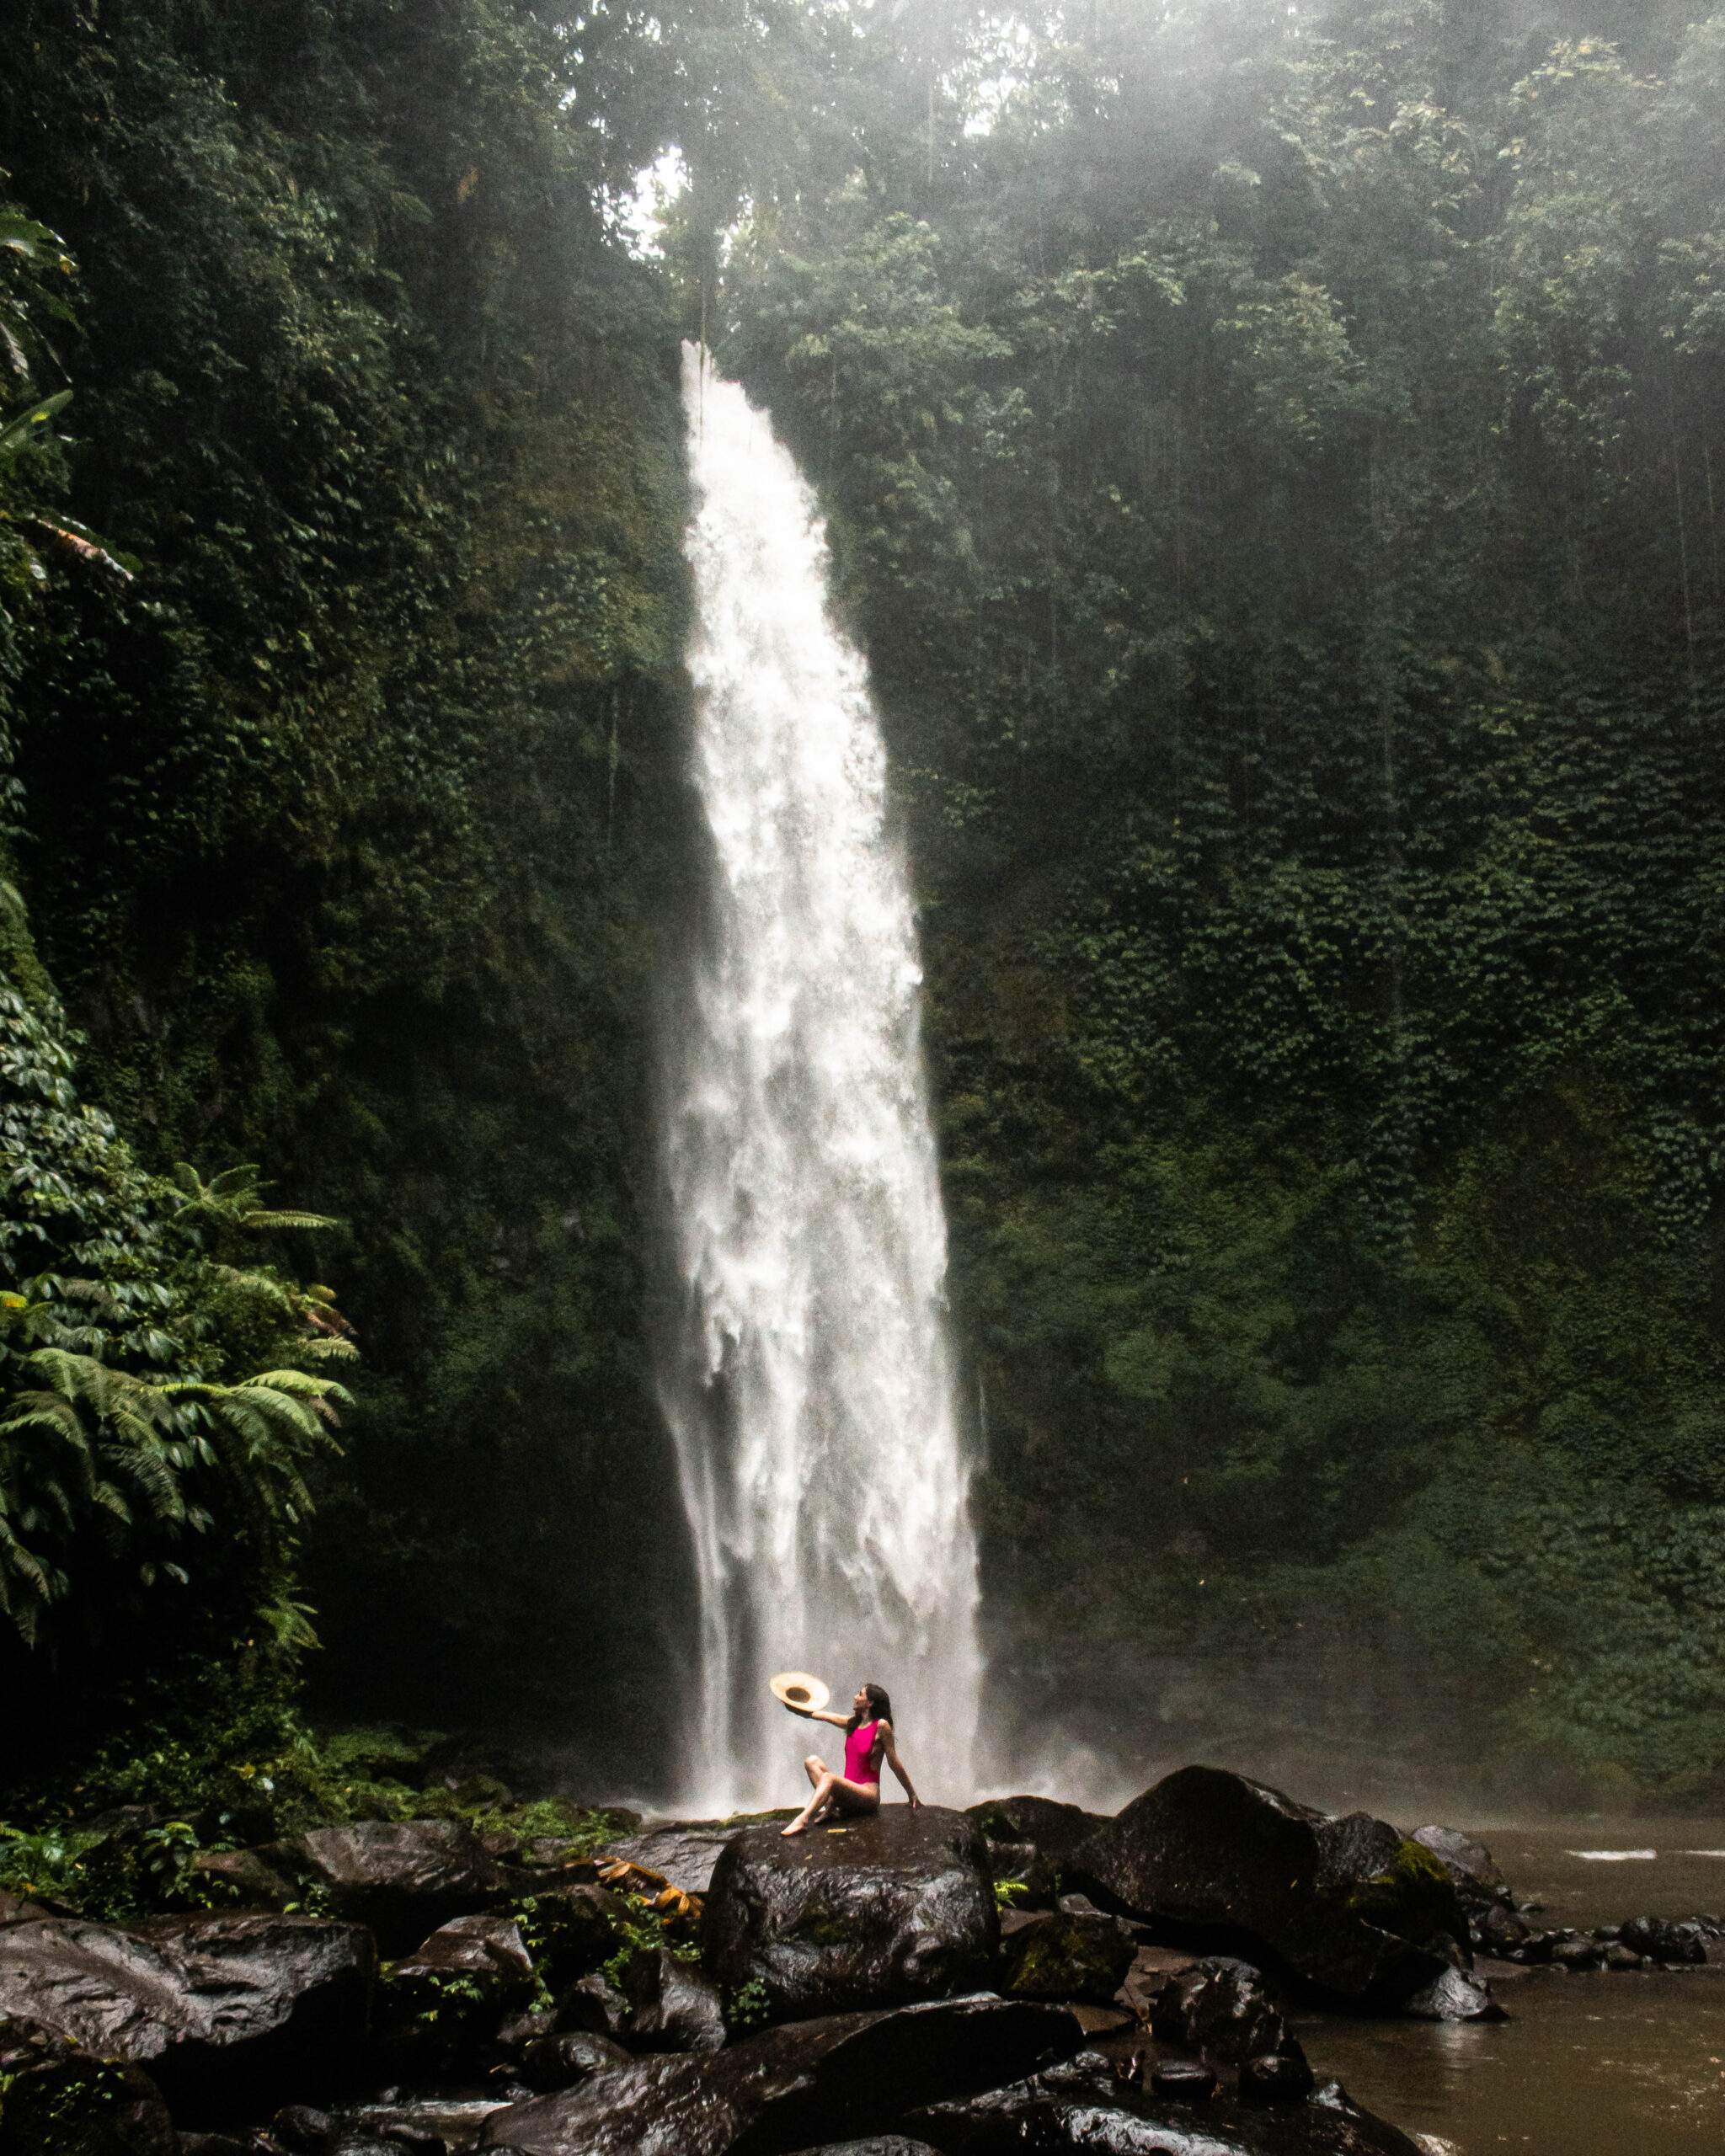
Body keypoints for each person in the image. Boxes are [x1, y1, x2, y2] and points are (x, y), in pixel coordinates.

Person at [778, 1680, 921, 1836]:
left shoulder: (881, 1726)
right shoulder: (852, 1723)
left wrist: (911, 1793)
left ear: (870, 1703)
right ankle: (831, 1808)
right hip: (849, 1795)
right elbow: (814, 1714)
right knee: (811, 1761)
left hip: (868, 1795)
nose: (855, 1697)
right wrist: (789, 1702)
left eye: (860, 1694)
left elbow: (894, 1763)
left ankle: (802, 1820)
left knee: (829, 1778)